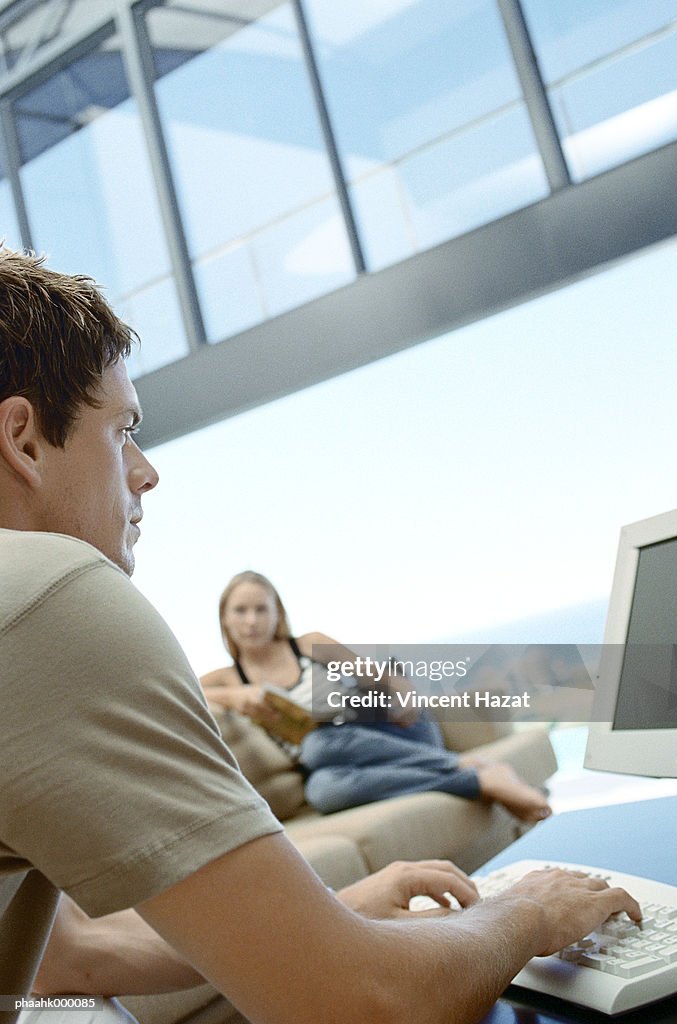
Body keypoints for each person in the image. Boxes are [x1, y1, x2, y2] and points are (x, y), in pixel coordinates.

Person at [0, 248, 641, 1024]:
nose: (145, 472)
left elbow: (65, 956)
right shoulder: (48, 594)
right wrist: (529, 912)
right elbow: (358, 1005)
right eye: (122, 431)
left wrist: (338, 911)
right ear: (24, 440)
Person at [201, 571, 553, 821]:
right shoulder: (229, 678)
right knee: (322, 791)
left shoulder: (308, 645)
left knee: (317, 745)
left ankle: (458, 763)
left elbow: (391, 683)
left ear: (277, 613)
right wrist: (235, 696)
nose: (251, 621)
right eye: (240, 611)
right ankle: (479, 776)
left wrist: (405, 699)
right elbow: (184, 688)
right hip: (351, 767)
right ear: (225, 619)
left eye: (261, 609)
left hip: (395, 732)